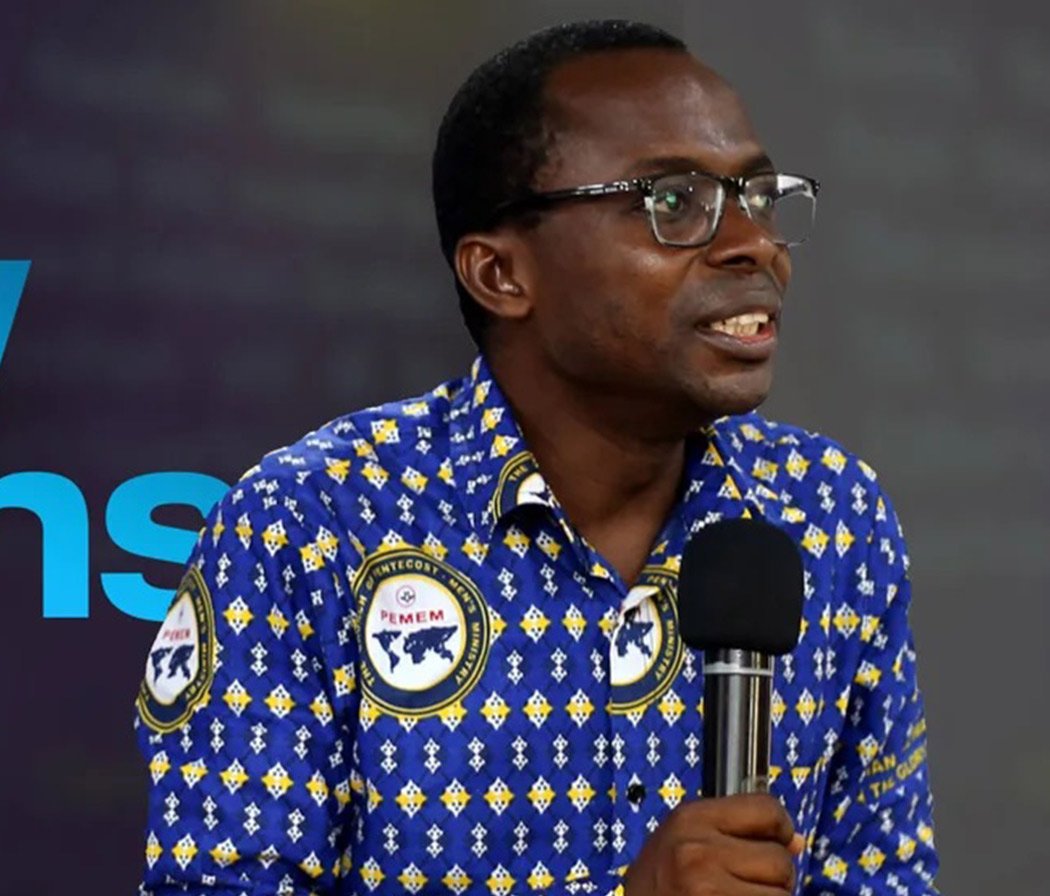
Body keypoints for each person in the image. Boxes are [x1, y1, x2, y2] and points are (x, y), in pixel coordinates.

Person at [135, 19, 943, 896]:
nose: (756, 244)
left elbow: (883, 879)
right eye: (675, 203)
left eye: (757, 195)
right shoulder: (310, 527)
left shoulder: (828, 514)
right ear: (501, 274)